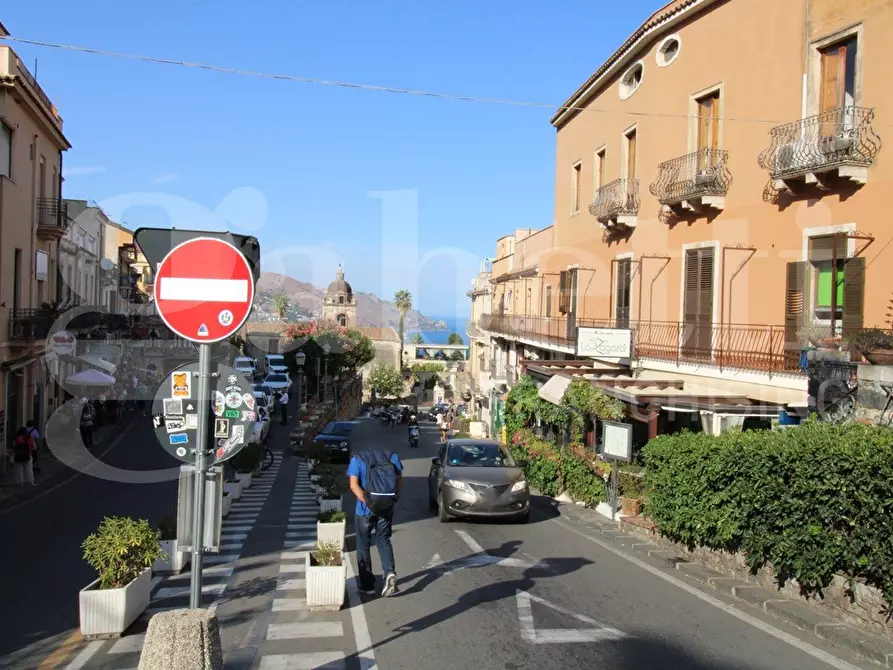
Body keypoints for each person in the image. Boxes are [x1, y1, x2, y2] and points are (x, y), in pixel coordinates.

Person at [347, 447, 404, 597]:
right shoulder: (392, 456)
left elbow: (353, 485)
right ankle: (389, 573)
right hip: (386, 508)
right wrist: (394, 498)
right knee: (384, 540)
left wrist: (367, 502)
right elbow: (399, 479)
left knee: (363, 545)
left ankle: (368, 586)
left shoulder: (357, 459)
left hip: (364, 510)